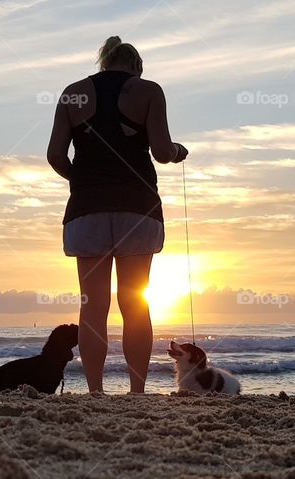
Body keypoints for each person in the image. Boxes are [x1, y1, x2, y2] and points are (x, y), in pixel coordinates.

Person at [47, 36, 188, 394]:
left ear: (104, 63)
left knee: (92, 307)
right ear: (136, 66)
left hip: (86, 210)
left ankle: (95, 392)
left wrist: (81, 179)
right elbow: (159, 149)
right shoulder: (149, 91)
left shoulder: (72, 93)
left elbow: (56, 157)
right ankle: (136, 392)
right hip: (137, 207)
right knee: (135, 304)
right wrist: (177, 151)